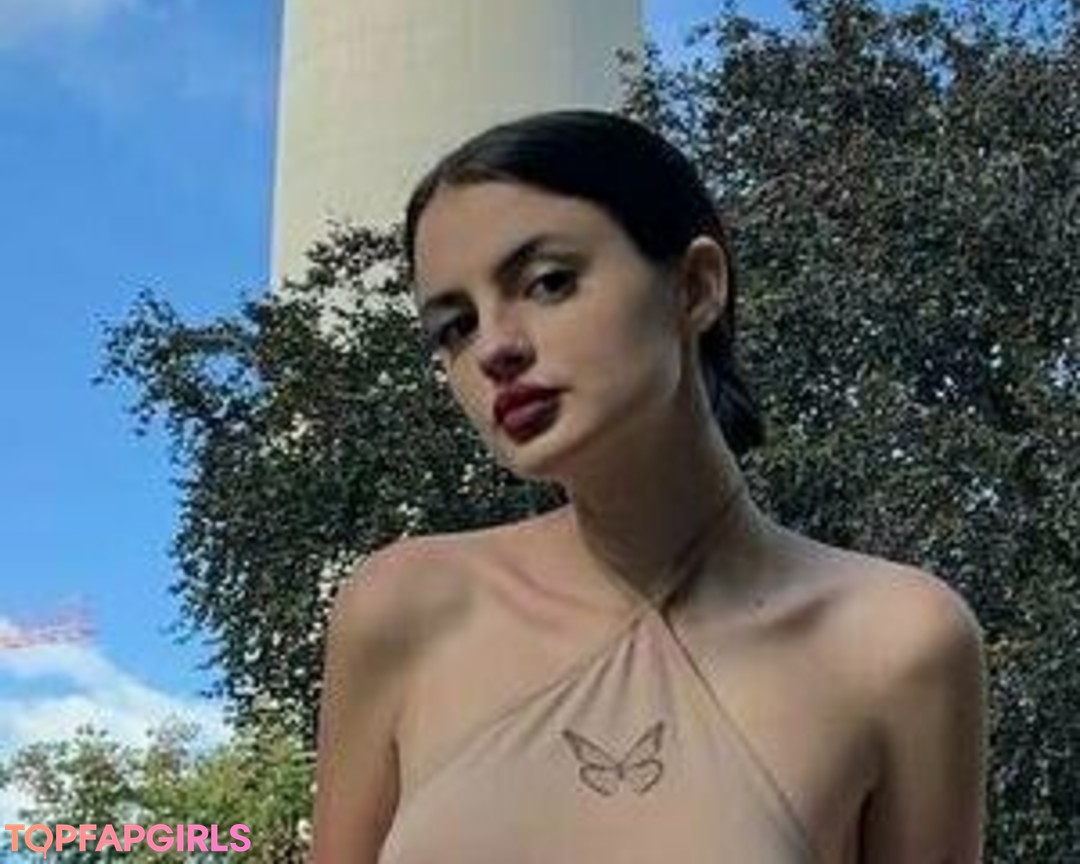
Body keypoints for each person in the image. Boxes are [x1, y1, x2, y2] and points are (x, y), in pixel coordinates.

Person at [310, 110, 988, 864]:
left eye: (548, 282)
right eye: (455, 326)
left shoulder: (899, 646)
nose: (495, 346)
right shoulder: (405, 610)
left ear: (695, 287)